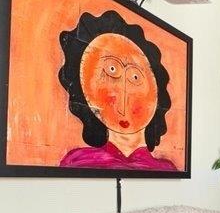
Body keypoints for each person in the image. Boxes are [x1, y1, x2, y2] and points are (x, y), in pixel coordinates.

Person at [56, 10, 177, 171]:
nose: (123, 92)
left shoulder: (166, 169)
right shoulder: (77, 162)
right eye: (111, 71)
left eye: (135, 77)